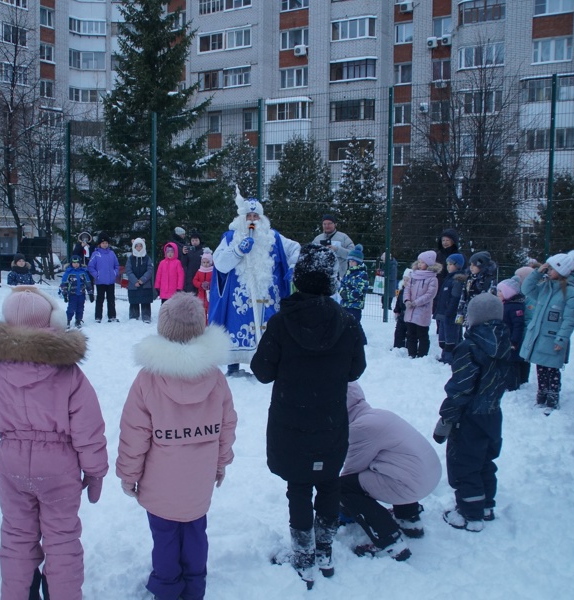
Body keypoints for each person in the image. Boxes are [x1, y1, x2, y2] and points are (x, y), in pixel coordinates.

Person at [0, 286, 108, 599]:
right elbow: (88, 426)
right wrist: (95, 471)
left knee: (17, 534)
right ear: (49, 320)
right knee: (62, 537)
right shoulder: (67, 372)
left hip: (11, 460)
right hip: (58, 464)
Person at [250, 244, 366, 589]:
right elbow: (356, 369)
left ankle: (304, 555)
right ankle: (324, 549)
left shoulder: (283, 322)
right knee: (329, 480)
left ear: (299, 279)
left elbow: (262, 371)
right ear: (331, 280)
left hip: (292, 422)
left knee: (298, 486)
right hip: (330, 420)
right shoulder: (346, 322)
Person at [116, 293, 237, 600]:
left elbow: (135, 432)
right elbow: (226, 426)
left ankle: (168, 587)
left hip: (160, 484)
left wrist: (128, 474)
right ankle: (194, 587)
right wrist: (220, 462)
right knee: (196, 533)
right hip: (199, 481)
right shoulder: (215, 377)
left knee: (166, 537)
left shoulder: (148, 379)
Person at [433, 293, 511, 532]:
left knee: (465, 463)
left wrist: (447, 415)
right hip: (492, 413)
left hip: (470, 416)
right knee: (486, 460)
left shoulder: (470, 346)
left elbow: (461, 386)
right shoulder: (504, 342)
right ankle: (486, 505)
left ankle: (470, 514)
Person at [339, 382, 441, 560]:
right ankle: (410, 521)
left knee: (342, 487)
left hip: (412, 484)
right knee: (395, 468)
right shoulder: (379, 415)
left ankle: (390, 540)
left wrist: (343, 507)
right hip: (429, 476)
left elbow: (351, 472)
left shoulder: (360, 428)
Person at [209, 192, 300, 377]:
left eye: (256, 216)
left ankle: (267, 364)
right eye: (249, 216)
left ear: (262, 218)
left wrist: (294, 265)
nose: (253, 220)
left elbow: (296, 249)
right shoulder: (230, 237)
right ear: (242, 218)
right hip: (239, 297)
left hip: (268, 296)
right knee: (235, 326)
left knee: (270, 329)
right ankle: (233, 364)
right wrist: (237, 250)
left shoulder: (274, 237)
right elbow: (219, 263)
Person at [519, 251, 574, 413]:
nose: (548, 271)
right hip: (539, 335)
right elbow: (526, 288)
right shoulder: (545, 288)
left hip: (553, 337)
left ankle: (552, 398)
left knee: (552, 368)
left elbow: (569, 319)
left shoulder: (572, 293)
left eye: (552, 268)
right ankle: (541, 396)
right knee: (541, 366)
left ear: (562, 271)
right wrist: (537, 272)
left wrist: (561, 339)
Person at [403, 250, 440, 359]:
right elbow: (407, 289)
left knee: (422, 334)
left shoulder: (432, 278)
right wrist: (407, 300)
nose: (419, 264)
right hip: (411, 309)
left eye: (422, 262)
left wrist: (416, 302)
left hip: (422, 310)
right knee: (410, 334)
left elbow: (430, 294)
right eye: (418, 262)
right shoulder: (413, 275)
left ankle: (422, 355)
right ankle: (411, 353)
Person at [497, 277, 530, 391]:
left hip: (512, 340)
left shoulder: (515, 306)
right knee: (506, 361)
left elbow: (518, 325)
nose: (498, 293)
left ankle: (513, 384)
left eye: (500, 291)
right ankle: (507, 381)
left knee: (512, 362)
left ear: (507, 292)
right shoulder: (505, 305)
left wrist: (514, 341)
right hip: (505, 338)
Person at [434, 254, 466, 364]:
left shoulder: (457, 280)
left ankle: (450, 358)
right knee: (443, 338)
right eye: (447, 264)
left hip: (450, 315)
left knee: (451, 338)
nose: (448, 266)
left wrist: (449, 311)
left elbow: (455, 298)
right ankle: (444, 356)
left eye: (451, 264)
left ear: (458, 265)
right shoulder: (448, 278)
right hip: (443, 314)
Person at [456, 251, 498, 326]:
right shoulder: (469, 279)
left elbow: (491, 299)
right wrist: (460, 313)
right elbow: (463, 297)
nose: (471, 267)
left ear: (481, 266)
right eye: (470, 265)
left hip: (483, 317)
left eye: (474, 265)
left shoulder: (490, 280)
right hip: (468, 314)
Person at [311, 214, 355, 281]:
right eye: (324, 224)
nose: (327, 226)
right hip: (320, 277)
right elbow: (311, 255)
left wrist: (337, 249)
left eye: (329, 223)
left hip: (340, 277)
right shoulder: (317, 239)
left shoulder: (343, 237)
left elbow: (352, 254)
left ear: (335, 224)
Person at [87, 234, 120, 323]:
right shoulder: (95, 254)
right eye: (103, 243)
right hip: (100, 281)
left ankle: (112, 316)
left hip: (110, 281)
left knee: (111, 299)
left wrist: (114, 273)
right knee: (100, 300)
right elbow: (90, 266)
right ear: (99, 244)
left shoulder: (112, 253)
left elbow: (116, 265)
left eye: (106, 243)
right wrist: (97, 275)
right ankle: (98, 317)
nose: (105, 244)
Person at [339, 244, 369, 329]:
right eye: (349, 261)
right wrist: (341, 292)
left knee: (354, 326)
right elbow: (341, 285)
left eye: (353, 261)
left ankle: (360, 341)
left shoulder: (362, 274)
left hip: (355, 306)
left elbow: (359, 291)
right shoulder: (348, 272)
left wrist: (347, 295)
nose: (351, 263)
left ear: (358, 262)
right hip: (344, 305)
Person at [60, 256, 95, 329]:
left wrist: (90, 293)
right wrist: (65, 294)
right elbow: (64, 283)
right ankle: (68, 320)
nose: (76, 264)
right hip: (72, 294)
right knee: (71, 308)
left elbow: (88, 283)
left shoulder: (83, 272)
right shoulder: (68, 272)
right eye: (74, 263)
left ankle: (78, 320)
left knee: (80, 308)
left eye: (77, 263)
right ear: (71, 263)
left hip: (81, 294)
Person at [126, 238, 155, 323]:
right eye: (137, 246)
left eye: (140, 245)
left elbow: (150, 270)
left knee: (145, 300)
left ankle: (146, 315)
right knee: (134, 300)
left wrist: (143, 279)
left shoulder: (147, 258)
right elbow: (128, 270)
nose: (139, 247)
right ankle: (134, 315)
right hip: (133, 284)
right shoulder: (130, 259)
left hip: (145, 284)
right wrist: (135, 281)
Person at [392, 268, 412, 349]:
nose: (405, 282)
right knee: (399, 331)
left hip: (409, 314)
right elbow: (398, 302)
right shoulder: (401, 290)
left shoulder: (412, 291)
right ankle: (398, 346)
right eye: (404, 279)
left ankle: (408, 347)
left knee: (409, 332)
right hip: (402, 314)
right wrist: (397, 311)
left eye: (407, 280)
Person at [192, 249, 213, 322]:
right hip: (200, 295)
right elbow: (194, 281)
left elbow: (215, 282)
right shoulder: (199, 271)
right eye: (204, 262)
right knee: (201, 310)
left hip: (209, 296)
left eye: (207, 262)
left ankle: (209, 324)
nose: (205, 264)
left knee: (209, 310)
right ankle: (202, 324)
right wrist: (200, 285)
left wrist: (209, 285)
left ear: (210, 262)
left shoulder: (212, 271)